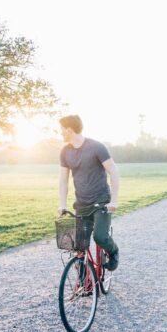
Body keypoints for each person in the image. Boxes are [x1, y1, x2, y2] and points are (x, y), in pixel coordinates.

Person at [57, 114, 120, 270]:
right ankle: (86, 282)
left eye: (62, 130)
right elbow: (63, 180)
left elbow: (113, 171)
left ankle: (114, 252)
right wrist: (62, 205)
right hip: (81, 204)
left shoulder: (97, 147)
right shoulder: (65, 151)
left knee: (99, 236)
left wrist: (114, 200)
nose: (60, 133)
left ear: (69, 130)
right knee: (78, 246)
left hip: (101, 201)